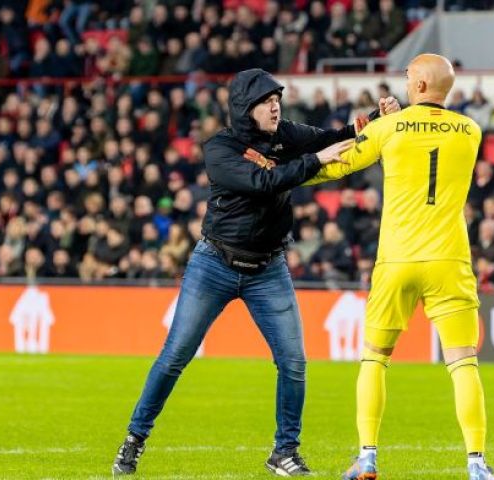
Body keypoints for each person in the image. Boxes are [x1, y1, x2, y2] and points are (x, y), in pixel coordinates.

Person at [112, 68, 400, 476]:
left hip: (268, 268)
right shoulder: (220, 148)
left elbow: (330, 137)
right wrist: (314, 161)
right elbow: (264, 181)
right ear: (246, 109)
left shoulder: (285, 134)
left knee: (294, 362)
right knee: (175, 355)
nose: (275, 105)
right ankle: (134, 439)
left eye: (277, 98)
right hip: (214, 264)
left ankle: (284, 452)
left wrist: (376, 116)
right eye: (267, 101)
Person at [304, 54, 494, 480]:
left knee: (374, 358)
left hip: (397, 259)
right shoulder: (471, 130)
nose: (406, 83)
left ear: (423, 86)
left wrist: (292, 175)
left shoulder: (388, 128)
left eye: (410, 78)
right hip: (449, 259)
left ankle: (368, 457)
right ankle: (477, 464)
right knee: (464, 362)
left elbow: (338, 163)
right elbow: (430, 133)